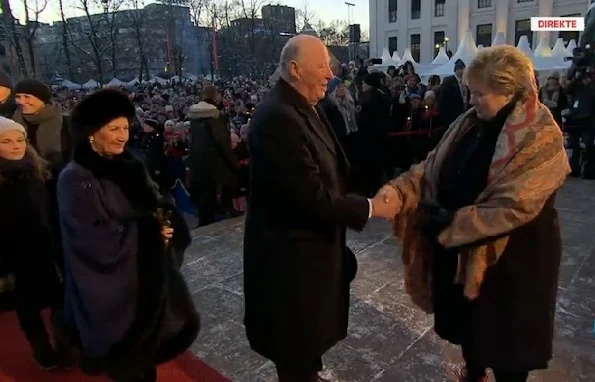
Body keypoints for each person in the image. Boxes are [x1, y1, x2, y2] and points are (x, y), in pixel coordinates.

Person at [380, 45, 570, 382]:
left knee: (507, 345)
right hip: (463, 253)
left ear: (509, 90)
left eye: (479, 93)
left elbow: (515, 204)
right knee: (472, 332)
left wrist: (454, 222)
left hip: (513, 261)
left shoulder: (541, 134)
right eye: (470, 91)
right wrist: (400, 190)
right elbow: (433, 165)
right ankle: (474, 371)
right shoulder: (469, 122)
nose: (471, 100)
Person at [243, 34, 398, 382]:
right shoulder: (277, 118)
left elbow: (334, 170)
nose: (331, 73)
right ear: (295, 69)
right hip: (290, 270)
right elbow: (309, 197)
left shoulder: (303, 106)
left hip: (309, 263)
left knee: (305, 352)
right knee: (295, 355)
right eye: (322, 65)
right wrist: (371, 208)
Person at [54, 89, 200, 382]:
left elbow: (156, 201)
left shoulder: (130, 163)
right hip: (112, 296)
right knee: (128, 364)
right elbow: (90, 239)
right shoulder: (75, 177)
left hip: (146, 284)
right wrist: (148, 233)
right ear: (92, 133)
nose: (122, 136)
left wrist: (166, 223)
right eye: (113, 129)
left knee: (147, 360)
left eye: (124, 127)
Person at [0, 116, 62, 370]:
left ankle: (66, 346)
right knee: (27, 306)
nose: (16, 145)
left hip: (46, 248)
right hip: (14, 254)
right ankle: (42, 350)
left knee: (60, 299)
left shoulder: (37, 170)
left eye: (20, 139)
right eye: (6, 141)